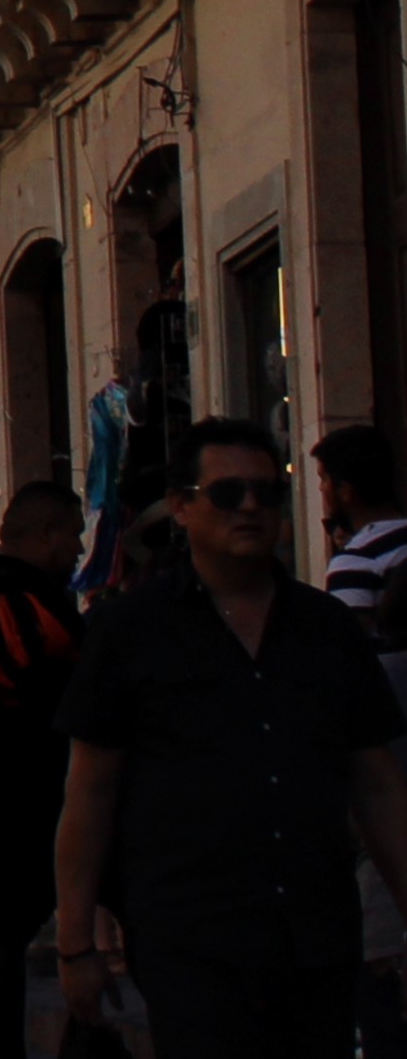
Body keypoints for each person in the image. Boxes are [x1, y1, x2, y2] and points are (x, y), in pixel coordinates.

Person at [55, 414, 407, 1055]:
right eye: (227, 493)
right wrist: (75, 941)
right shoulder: (132, 631)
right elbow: (90, 791)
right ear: (184, 508)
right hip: (191, 937)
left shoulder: (326, 629)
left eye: (266, 492)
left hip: (316, 936)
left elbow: (378, 785)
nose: (249, 507)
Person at [0, 477, 85, 1059]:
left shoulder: (15, 590)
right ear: (46, 533)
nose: (79, 550)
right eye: (74, 537)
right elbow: (36, 680)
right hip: (31, 792)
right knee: (5, 931)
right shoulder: (0, 594)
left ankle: (89, 1040)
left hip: (48, 789)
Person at [321, 425, 407, 1057]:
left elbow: (350, 664)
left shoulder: (354, 562)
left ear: (344, 489)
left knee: (377, 945)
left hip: (389, 751)